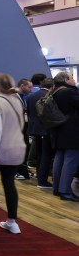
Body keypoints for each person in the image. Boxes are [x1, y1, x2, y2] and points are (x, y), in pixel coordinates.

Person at [0, 73, 27, 233]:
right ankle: (12, 221)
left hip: (0, 150)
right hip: (17, 149)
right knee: (9, 185)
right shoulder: (17, 101)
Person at [49, 72, 79, 201]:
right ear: (66, 80)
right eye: (72, 78)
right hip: (71, 131)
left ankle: (57, 188)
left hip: (58, 130)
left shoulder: (54, 92)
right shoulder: (68, 92)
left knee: (59, 159)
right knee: (71, 160)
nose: (74, 80)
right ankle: (65, 191)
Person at [26, 77, 54, 189]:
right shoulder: (49, 96)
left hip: (34, 128)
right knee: (45, 155)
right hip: (45, 129)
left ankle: (40, 175)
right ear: (52, 86)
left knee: (38, 154)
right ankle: (42, 178)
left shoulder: (30, 96)